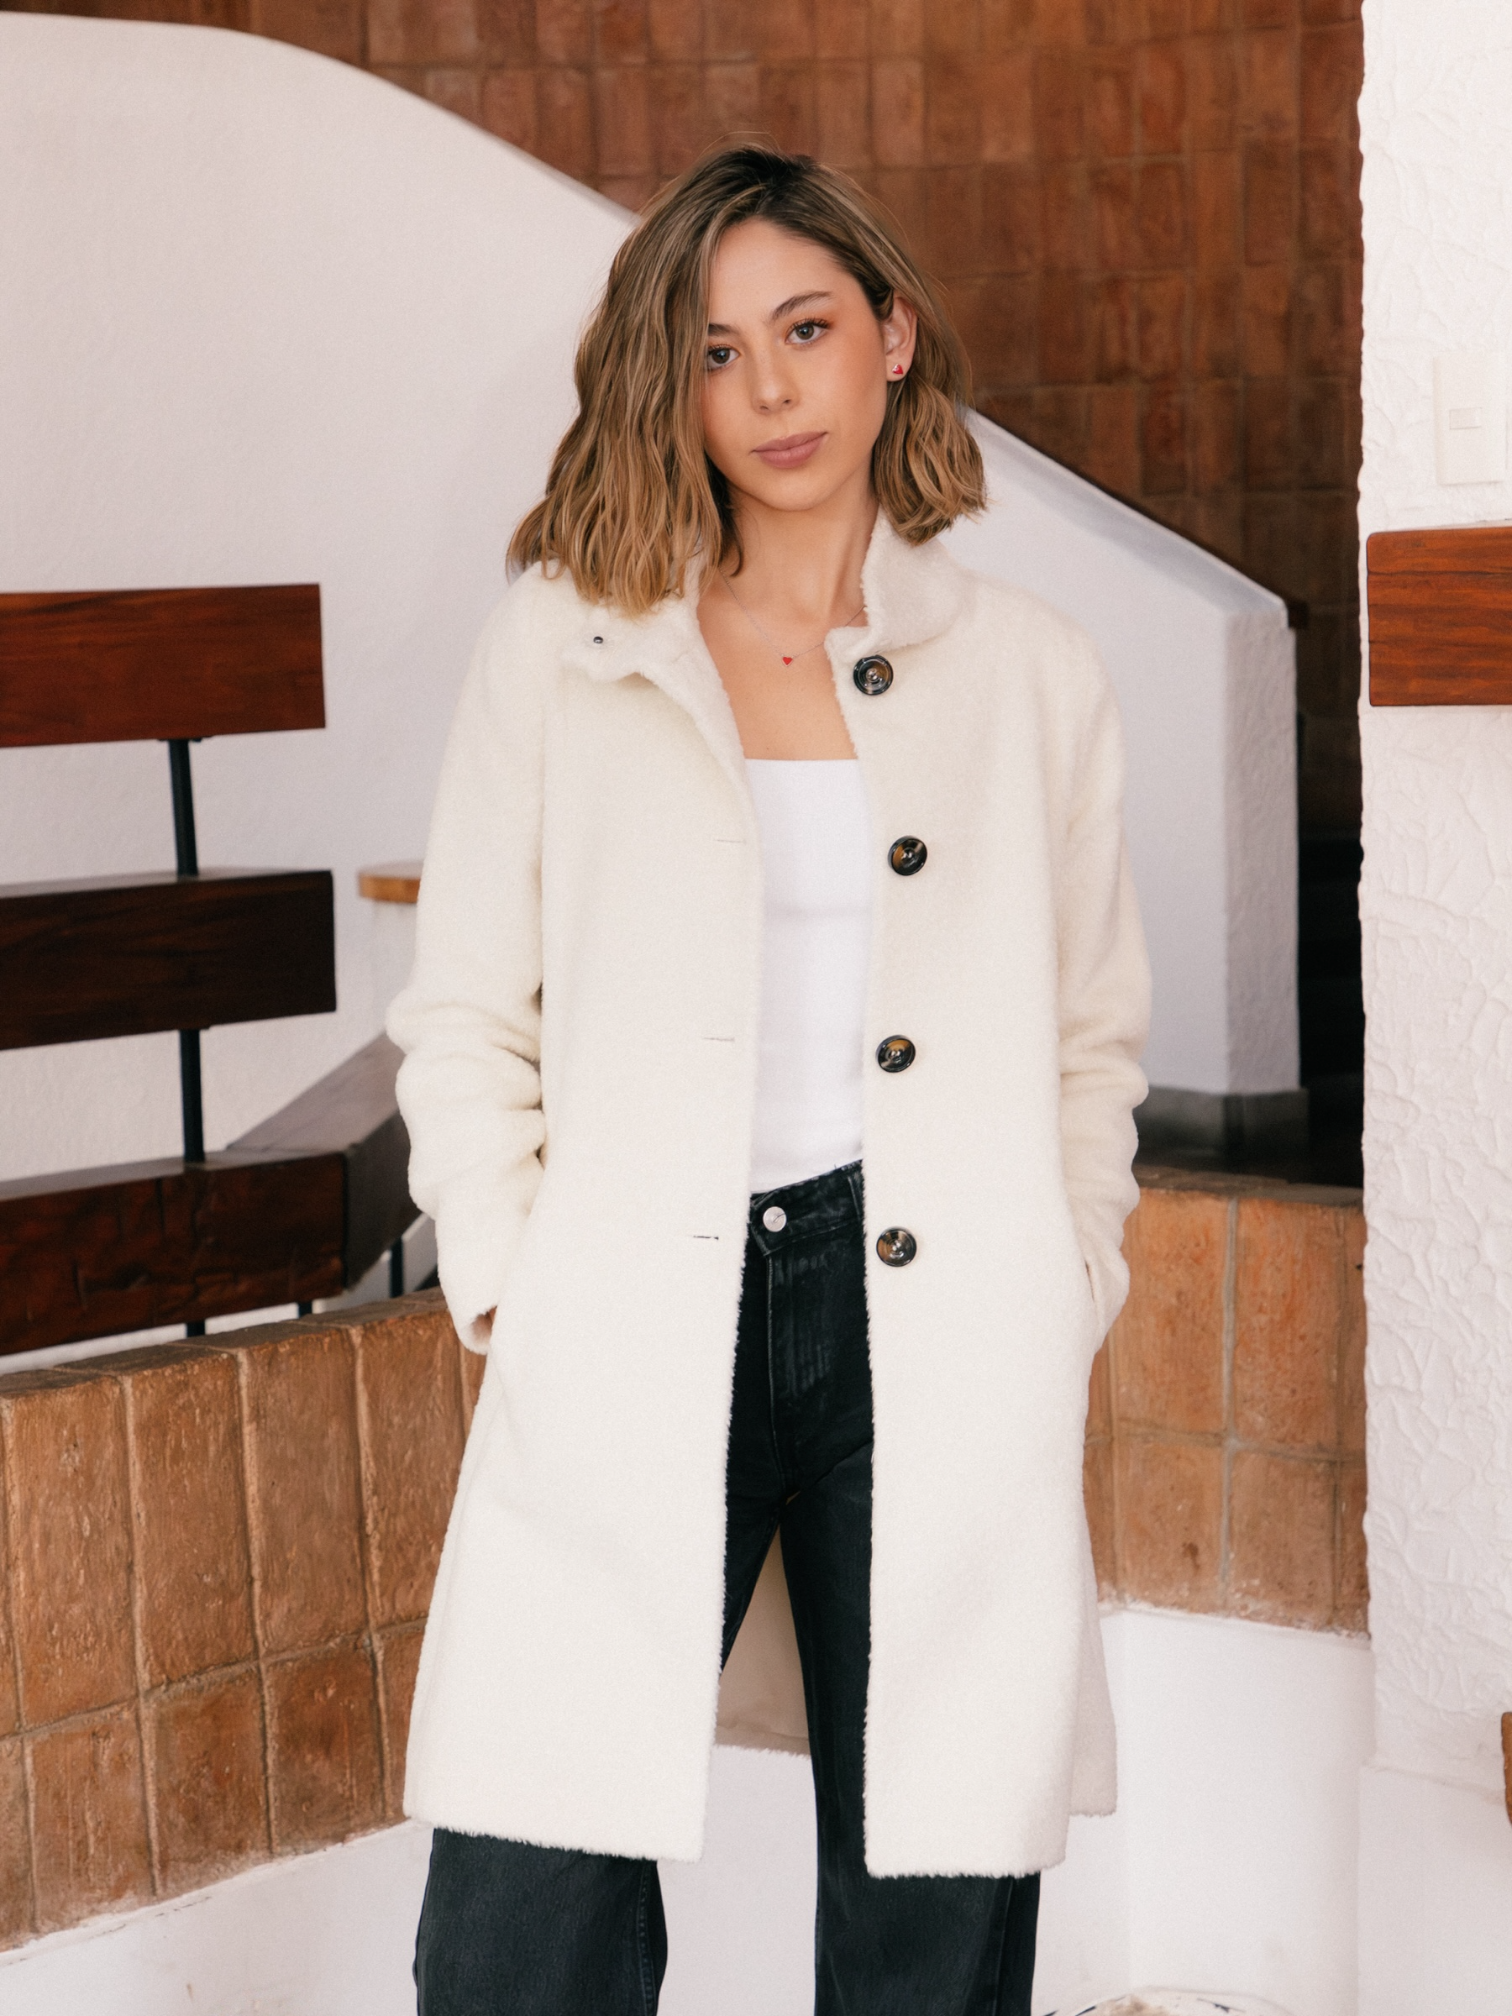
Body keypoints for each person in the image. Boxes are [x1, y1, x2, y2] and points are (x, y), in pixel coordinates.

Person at [387, 144, 1150, 2016]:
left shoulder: (1033, 677)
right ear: (676, 383)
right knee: (523, 1918)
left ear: (893, 336)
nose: (772, 392)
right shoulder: (567, 649)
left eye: (807, 330)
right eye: (719, 353)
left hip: (936, 1323)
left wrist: (1068, 1284)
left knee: (934, 1899)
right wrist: (507, 1272)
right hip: (641, 1296)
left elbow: (1089, 1041)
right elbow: (467, 1010)